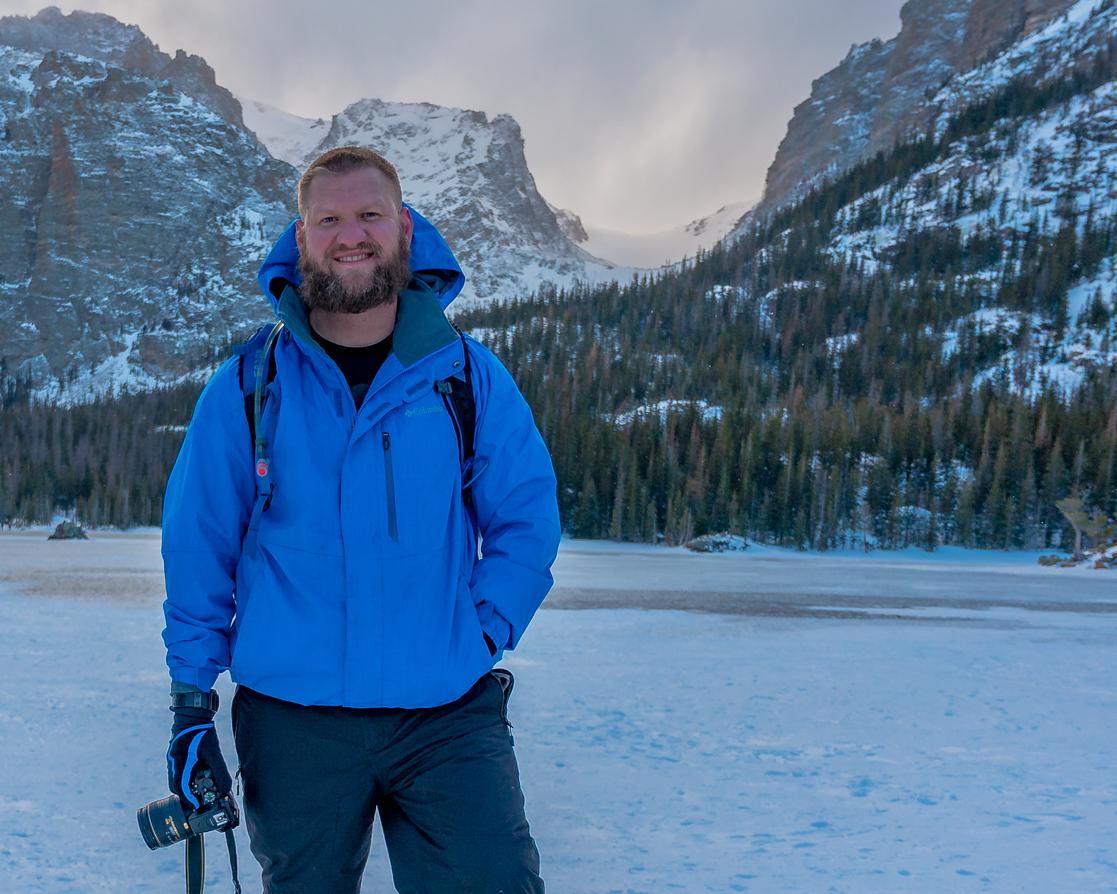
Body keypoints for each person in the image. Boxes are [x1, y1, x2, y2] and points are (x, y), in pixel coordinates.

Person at [160, 145, 561, 893]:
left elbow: (525, 521)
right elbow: (198, 547)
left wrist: (481, 630)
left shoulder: (467, 377)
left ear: (404, 228)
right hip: (292, 723)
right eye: (330, 219)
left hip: (446, 718)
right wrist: (190, 703)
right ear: (301, 236)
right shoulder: (248, 386)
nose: (352, 235)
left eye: (370, 215)